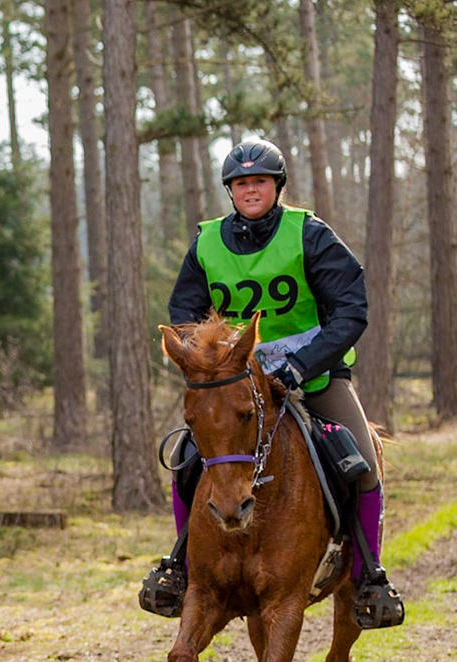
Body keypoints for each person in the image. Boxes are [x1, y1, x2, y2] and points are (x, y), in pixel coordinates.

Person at [142, 138, 405, 629]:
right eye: (241, 183)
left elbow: (351, 309)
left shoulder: (309, 234)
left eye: (260, 181)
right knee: (185, 458)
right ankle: (181, 569)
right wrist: (209, 364)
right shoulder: (206, 243)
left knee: (363, 462)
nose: (250, 190)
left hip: (312, 377)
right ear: (230, 190)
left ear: (277, 186)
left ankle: (369, 576)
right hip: (235, 383)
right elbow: (184, 315)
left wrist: (302, 365)